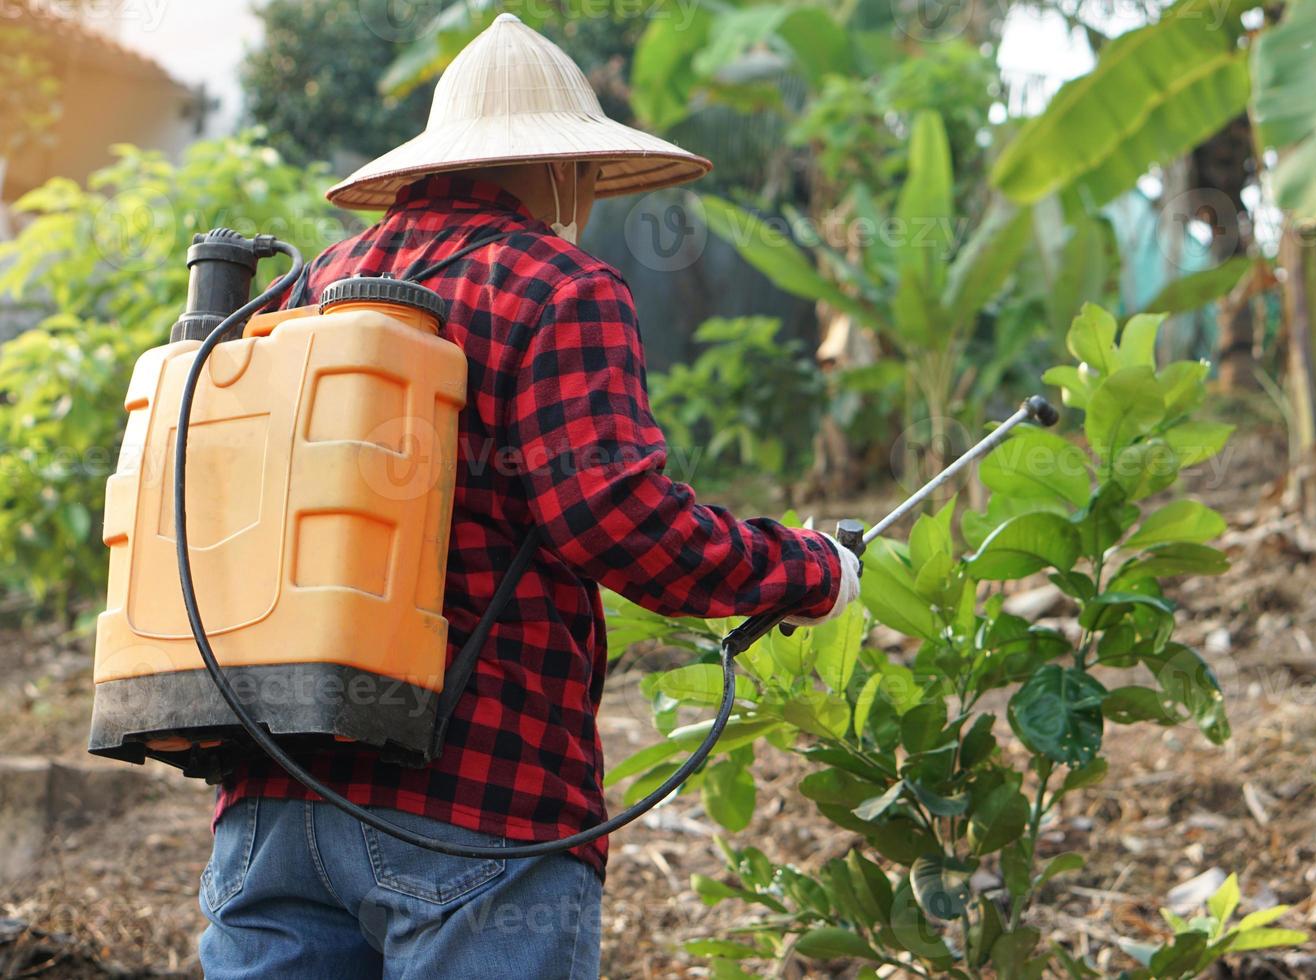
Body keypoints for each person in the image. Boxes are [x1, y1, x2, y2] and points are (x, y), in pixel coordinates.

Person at [196, 14, 860, 980]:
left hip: (272, 794)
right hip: (474, 809)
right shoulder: (559, 285)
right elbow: (610, 516)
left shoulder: (304, 289)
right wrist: (807, 570)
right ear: (558, 168)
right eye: (582, 169)